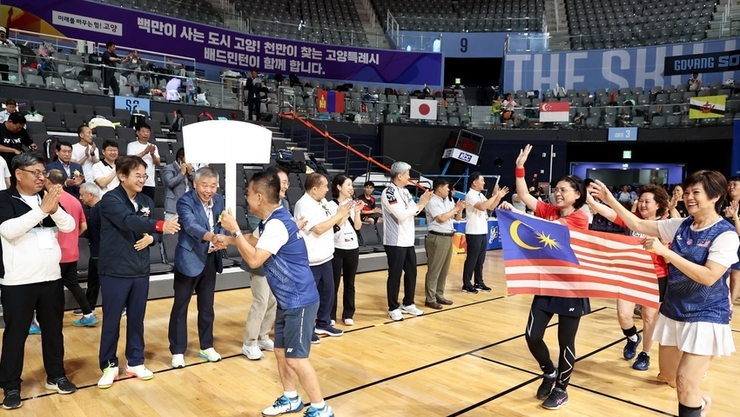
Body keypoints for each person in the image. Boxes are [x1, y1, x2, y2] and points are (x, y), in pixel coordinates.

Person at [591, 171, 737, 417]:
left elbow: (709, 276)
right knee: (670, 377)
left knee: (685, 381)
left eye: (696, 193)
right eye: (687, 192)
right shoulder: (681, 225)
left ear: (716, 197)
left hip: (706, 314)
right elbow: (637, 224)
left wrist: (665, 252)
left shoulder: (725, 234)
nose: (689, 197)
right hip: (673, 310)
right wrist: (609, 199)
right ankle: (698, 402)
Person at [220, 171, 334, 417]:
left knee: (296, 359)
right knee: (282, 353)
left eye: (249, 194)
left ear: (259, 197)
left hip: (300, 301)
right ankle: (291, 398)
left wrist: (235, 231)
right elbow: (253, 238)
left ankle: (321, 408)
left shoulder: (277, 225)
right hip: (287, 301)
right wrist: (228, 240)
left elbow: (253, 259)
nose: (246, 198)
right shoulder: (271, 220)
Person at [506, 143, 590, 410]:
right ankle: (549, 372)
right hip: (546, 284)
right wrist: (520, 167)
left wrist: (516, 215)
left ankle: (563, 389)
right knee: (532, 335)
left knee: (566, 342)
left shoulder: (580, 217)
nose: (557, 193)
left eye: (563, 189)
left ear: (577, 194)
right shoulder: (550, 211)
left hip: (572, 287)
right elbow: (523, 194)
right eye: (555, 189)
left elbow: (549, 230)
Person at [0, 152, 78, 409]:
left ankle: (56, 375)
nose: (41, 177)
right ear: (18, 174)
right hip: (18, 282)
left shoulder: (47, 199)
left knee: (54, 332)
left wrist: (52, 210)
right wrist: (41, 211)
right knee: (15, 335)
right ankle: (11, 385)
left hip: (51, 278)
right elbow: (8, 230)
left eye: (43, 173)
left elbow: (68, 226)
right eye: (35, 172)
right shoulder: (4, 199)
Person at [96, 155, 180, 389]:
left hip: (140, 268)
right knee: (112, 320)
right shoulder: (110, 200)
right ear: (122, 176)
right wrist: (159, 226)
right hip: (115, 269)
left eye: (145, 175)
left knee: (136, 318)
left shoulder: (146, 200)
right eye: (137, 175)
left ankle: (135, 361)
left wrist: (153, 237)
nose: (142, 179)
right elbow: (128, 221)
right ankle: (109, 365)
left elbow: (152, 231)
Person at [587, 183, 671, 371]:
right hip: (631, 273)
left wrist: (663, 246)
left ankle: (645, 353)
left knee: (649, 318)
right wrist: (589, 199)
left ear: (658, 205)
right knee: (624, 315)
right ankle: (633, 337)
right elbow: (606, 212)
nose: (642, 204)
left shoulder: (666, 226)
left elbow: (670, 257)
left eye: (647, 202)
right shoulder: (632, 220)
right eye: (640, 200)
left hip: (656, 276)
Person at [168, 167, 228, 368]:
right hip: (189, 259)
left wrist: (220, 237)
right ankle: (177, 350)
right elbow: (191, 225)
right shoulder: (185, 201)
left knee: (207, 306)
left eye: (212, 186)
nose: (209, 190)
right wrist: (213, 236)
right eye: (205, 185)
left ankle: (207, 345)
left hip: (211, 258)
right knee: (181, 306)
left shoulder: (219, 200)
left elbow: (221, 223)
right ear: (195, 183)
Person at [241, 166, 290, 360]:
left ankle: (262, 336)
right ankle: (249, 342)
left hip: (275, 263)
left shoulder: (283, 204)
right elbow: (258, 235)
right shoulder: (258, 207)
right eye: (283, 182)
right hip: (259, 263)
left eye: (287, 182)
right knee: (261, 301)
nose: (286, 185)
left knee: (273, 301)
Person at [293, 173, 350, 339]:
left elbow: (335, 222)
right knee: (310, 297)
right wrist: (338, 216)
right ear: (314, 189)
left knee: (328, 293)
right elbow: (317, 229)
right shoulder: (303, 204)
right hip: (310, 260)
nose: (327, 189)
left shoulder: (323, 202)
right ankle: (306, 329)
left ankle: (323, 324)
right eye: (324, 186)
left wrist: (345, 212)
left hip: (326, 256)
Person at [46, 169, 98, 327]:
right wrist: (72, 236)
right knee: (72, 284)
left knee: (51, 288)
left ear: (49, 182)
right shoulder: (76, 201)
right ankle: (88, 314)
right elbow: (83, 226)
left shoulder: (48, 200)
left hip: (55, 252)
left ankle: (48, 322)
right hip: (72, 250)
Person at [382, 161, 433, 321]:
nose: (410, 177)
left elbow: (414, 210)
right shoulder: (388, 192)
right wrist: (421, 204)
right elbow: (402, 214)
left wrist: (420, 205)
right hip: (395, 241)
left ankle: (408, 303)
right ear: (399, 175)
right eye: (408, 174)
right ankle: (393, 307)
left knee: (411, 272)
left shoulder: (405, 192)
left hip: (407, 240)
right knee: (395, 274)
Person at [327, 175, 364, 326]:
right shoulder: (330, 205)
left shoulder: (353, 203)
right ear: (338, 187)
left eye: (352, 185)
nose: (351, 188)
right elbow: (335, 227)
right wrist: (344, 212)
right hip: (337, 247)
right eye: (348, 185)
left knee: (350, 283)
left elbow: (357, 226)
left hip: (352, 247)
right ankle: (330, 315)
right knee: (333, 283)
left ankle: (348, 313)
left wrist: (358, 212)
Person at [462, 173, 508, 293]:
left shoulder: (480, 194)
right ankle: (466, 284)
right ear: (474, 183)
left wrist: (498, 197)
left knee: (480, 259)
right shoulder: (471, 195)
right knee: (471, 259)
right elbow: (482, 207)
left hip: (482, 230)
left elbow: (491, 207)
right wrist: (495, 195)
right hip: (473, 231)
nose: (484, 183)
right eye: (482, 181)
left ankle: (479, 282)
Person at [424, 178, 466, 309]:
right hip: (437, 237)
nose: (449, 190)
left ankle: (439, 294)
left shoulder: (448, 200)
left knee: (444, 269)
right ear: (439, 188)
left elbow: (456, 219)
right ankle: (430, 298)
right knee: (434, 269)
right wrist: (455, 209)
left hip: (448, 236)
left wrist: (460, 210)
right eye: (447, 187)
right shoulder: (431, 200)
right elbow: (441, 218)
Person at [78, 182, 102, 315]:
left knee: (105, 282)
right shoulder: (92, 209)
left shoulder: (101, 209)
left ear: (91, 195)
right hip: (94, 251)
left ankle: (121, 307)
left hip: (101, 252)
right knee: (92, 281)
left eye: (82, 195)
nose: (80, 198)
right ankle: (89, 308)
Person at [126, 123, 159, 200]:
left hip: (149, 182)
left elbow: (158, 163)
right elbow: (130, 160)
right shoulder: (132, 145)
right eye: (143, 131)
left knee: (148, 206)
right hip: (135, 182)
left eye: (148, 132)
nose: (145, 134)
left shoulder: (153, 146)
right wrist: (145, 152)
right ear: (137, 132)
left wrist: (152, 154)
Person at [722, 176, 740, 318]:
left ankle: (729, 307)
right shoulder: (722, 202)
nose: (731, 187)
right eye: (730, 184)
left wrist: (734, 217)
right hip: (723, 243)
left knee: (735, 276)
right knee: (722, 274)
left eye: (735, 184)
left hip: (738, 245)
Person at [161, 148, 193, 220]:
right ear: (179, 160)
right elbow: (170, 183)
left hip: (188, 206)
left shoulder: (190, 168)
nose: (190, 163)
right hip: (173, 207)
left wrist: (191, 174)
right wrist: (182, 173)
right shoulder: (168, 168)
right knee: (171, 230)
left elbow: (197, 183)